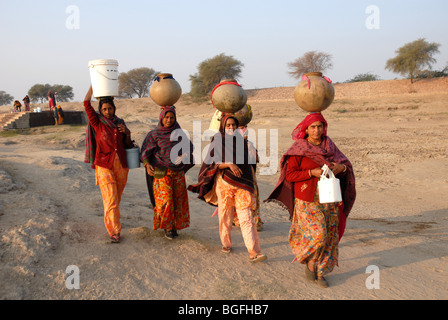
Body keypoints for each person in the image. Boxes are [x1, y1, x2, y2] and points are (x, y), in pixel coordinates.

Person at [265, 112, 356, 287]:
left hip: (329, 198)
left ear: (324, 128)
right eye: (313, 127)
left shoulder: (330, 147)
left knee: (330, 235)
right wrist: (311, 173)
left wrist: (341, 168)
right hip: (307, 199)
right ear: (306, 129)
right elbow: (290, 175)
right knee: (319, 234)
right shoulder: (298, 149)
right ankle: (310, 261)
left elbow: (347, 167)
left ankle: (321, 271)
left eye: (319, 126)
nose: (316, 130)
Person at [189, 115, 267, 263]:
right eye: (228, 125)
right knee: (225, 215)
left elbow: (249, 164)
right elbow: (211, 164)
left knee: (247, 217)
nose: (231, 128)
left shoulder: (242, 142)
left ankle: (254, 251)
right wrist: (228, 164)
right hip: (224, 183)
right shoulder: (217, 141)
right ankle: (226, 243)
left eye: (233, 125)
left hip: (242, 184)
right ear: (223, 126)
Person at [83, 85, 133, 243]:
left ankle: (113, 222)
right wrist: (93, 86)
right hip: (104, 164)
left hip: (121, 165)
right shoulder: (97, 122)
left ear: (114, 108)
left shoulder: (120, 122)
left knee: (115, 199)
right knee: (110, 199)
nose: (107, 112)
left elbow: (127, 143)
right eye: (104, 109)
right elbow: (86, 103)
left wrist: (126, 132)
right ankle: (114, 231)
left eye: (109, 109)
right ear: (100, 110)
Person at [140, 106, 194, 240]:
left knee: (178, 200)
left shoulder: (180, 133)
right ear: (161, 118)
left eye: (172, 118)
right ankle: (168, 227)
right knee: (166, 201)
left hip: (178, 173)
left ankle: (174, 226)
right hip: (161, 172)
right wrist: (147, 164)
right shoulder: (154, 134)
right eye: (166, 117)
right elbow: (145, 152)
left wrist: (184, 155)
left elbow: (189, 147)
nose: (169, 120)